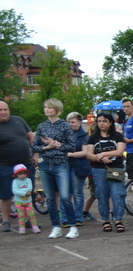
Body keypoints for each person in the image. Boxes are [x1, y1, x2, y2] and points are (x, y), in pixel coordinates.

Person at [32, 98, 78, 239]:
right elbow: (35, 146)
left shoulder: (64, 126)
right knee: (50, 198)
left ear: (57, 109)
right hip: (45, 164)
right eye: (45, 107)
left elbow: (72, 146)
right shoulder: (41, 126)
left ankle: (73, 227)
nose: (46, 109)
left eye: (49, 107)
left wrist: (58, 145)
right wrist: (47, 147)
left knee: (64, 196)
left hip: (61, 164)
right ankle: (56, 226)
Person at [85, 112, 126, 233]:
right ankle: (105, 220)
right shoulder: (93, 137)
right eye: (99, 121)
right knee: (102, 195)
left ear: (110, 122)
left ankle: (118, 219)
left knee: (117, 194)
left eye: (104, 121)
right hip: (99, 169)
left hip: (116, 168)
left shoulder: (117, 136)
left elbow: (119, 152)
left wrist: (103, 153)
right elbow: (89, 154)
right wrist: (100, 158)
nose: (102, 123)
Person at [0, 101, 35, 232]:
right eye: (0, 110)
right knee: (5, 194)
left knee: (27, 192)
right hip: (5, 165)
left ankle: (27, 220)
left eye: (5, 109)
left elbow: (30, 136)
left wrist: (35, 155)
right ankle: (6, 221)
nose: (3, 112)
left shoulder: (18, 120)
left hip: (25, 164)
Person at [61, 112, 89, 227]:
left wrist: (70, 154)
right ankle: (65, 217)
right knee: (65, 194)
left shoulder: (84, 135)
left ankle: (78, 217)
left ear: (79, 123)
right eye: (69, 122)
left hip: (79, 166)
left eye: (72, 122)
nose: (70, 124)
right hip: (64, 166)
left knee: (77, 193)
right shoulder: (63, 134)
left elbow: (85, 152)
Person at [11, 164, 39, 234]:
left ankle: (35, 227)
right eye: (20, 174)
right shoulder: (15, 181)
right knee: (21, 215)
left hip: (28, 201)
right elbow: (15, 191)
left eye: (24, 173)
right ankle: (22, 228)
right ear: (16, 174)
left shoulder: (28, 180)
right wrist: (24, 193)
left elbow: (30, 188)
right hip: (19, 201)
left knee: (32, 214)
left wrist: (21, 191)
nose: (22, 175)